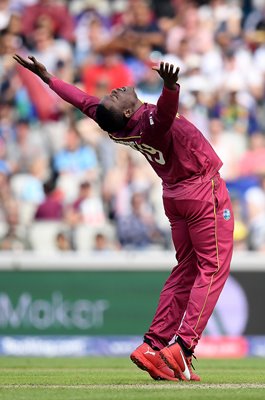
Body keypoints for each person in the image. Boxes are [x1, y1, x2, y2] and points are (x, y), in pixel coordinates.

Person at [13, 54, 234, 382]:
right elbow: (165, 113)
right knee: (212, 267)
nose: (113, 92)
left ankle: (153, 346)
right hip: (201, 189)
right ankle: (183, 345)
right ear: (129, 112)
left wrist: (49, 79)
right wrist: (171, 87)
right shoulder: (149, 124)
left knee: (186, 270)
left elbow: (82, 100)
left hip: (174, 195)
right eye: (114, 98)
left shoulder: (116, 122)